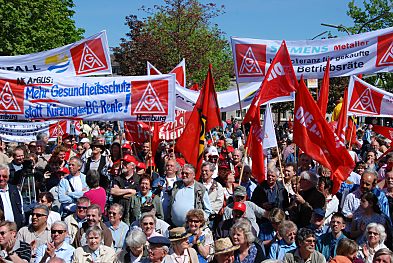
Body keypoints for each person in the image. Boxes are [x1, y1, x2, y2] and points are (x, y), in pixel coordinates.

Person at [111, 154, 138, 224]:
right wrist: (129, 190)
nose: (124, 165)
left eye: (126, 163)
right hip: (119, 210)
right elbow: (113, 191)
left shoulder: (138, 179)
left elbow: (135, 194)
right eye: (123, 163)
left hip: (131, 211)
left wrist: (120, 192)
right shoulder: (118, 178)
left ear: (132, 166)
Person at [0, 164, 24, 229]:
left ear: (8, 176)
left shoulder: (15, 191)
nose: (1, 178)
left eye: (4, 176)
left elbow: (21, 210)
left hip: (16, 230)